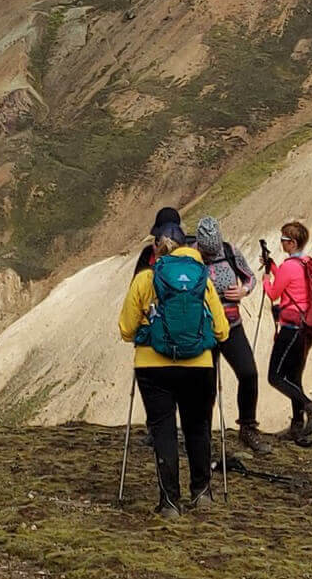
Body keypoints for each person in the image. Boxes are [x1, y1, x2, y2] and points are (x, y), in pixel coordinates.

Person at [117, 213, 231, 516]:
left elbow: (126, 329)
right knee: (197, 426)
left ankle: (169, 502)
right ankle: (202, 493)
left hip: (153, 367)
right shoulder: (201, 280)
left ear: (158, 248)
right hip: (199, 365)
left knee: (164, 431)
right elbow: (222, 330)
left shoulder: (145, 278)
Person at [194, 216, 267, 454]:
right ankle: (201, 433)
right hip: (203, 329)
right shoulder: (190, 257)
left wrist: (244, 290)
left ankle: (248, 426)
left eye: (213, 250)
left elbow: (250, 277)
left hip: (232, 325)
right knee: (206, 383)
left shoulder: (229, 251)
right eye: (207, 251)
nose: (211, 255)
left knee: (248, 373)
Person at [264, 220, 312, 442]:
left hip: (290, 327)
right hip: (306, 327)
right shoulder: (306, 263)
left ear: (292, 242)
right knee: (294, 376)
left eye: (284, 239)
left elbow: (274, 293)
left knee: (275, 376)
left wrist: (266, 279)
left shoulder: (288, 267)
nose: (281, 242)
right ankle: (296, 424)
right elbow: (293, 285)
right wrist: (273, 267)